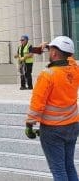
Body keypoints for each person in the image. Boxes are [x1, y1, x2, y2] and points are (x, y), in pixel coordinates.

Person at [26, 36, 79, 181]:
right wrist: (49, 47)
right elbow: (68, 56)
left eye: (51, 50)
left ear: (54, 53)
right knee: (69, 166)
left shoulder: (47, 75)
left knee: (58, 170)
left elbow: (37, 104)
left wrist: (29, 124)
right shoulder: (74, 69)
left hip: (53, 130)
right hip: (73, 126)